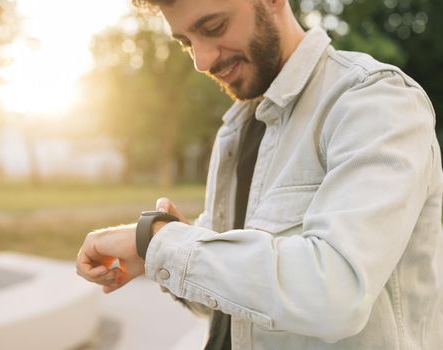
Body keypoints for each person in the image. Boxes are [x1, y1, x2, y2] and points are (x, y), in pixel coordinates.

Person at [76, 0, 443, 349]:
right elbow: (237, 312)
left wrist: (161, 240)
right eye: (187, 42)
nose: (202, 61)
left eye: (214, 26)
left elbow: (337, 294)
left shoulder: (373, 101)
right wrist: (159, 258)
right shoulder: (236, 130)